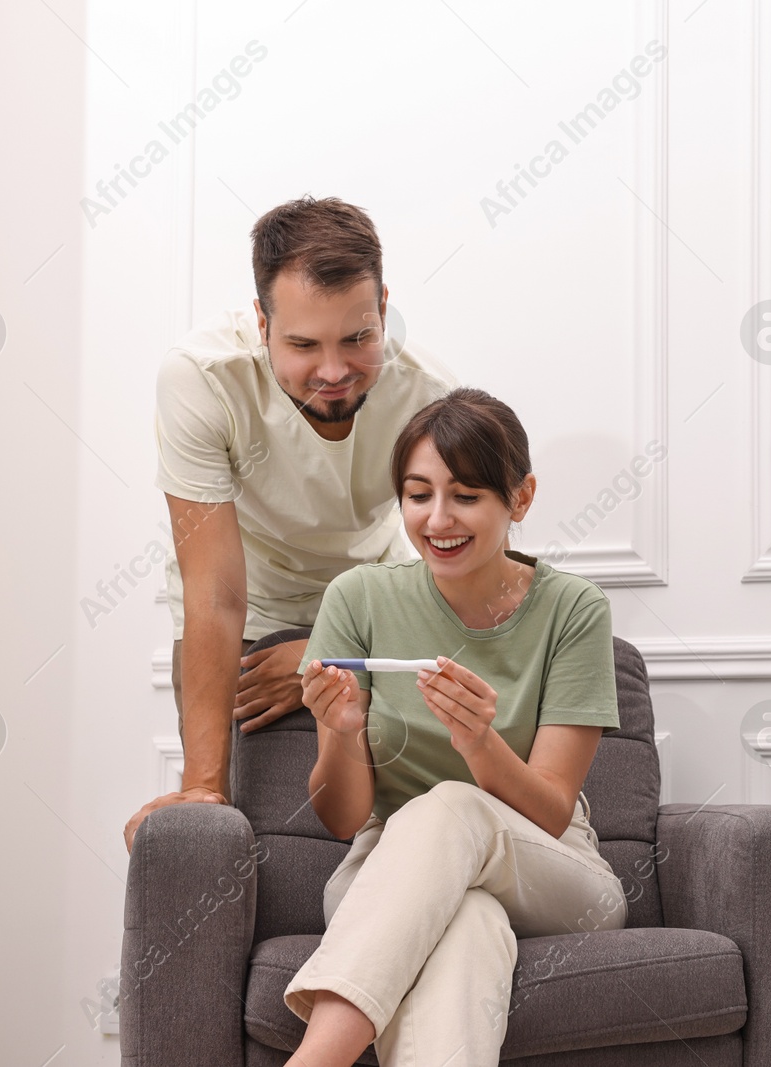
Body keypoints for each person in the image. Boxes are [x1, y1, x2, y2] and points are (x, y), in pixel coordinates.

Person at [281, 387, 628, 1067]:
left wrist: (479, 743)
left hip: (551, 866)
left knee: (453, 804)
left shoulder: (574, 610)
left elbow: (554, 810)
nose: (437, 518)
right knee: (467, 923)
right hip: (386, 871)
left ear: (519, 499)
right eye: (418, 494)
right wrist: (347, 731)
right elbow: (345, 817)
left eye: (465, 495)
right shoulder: (358, 598)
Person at [123, 197, 456, 852]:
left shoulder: (430, 398)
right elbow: (214, 594)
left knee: (388, 832)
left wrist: (327, 653)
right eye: (303, 344)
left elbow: (458, 585)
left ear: (383, 309)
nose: (333, 372)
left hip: (371, 613)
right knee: (243, 831)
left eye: (358, 338)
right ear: (261, 322)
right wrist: (200, 796)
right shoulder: (201, 379)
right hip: (243, 618)